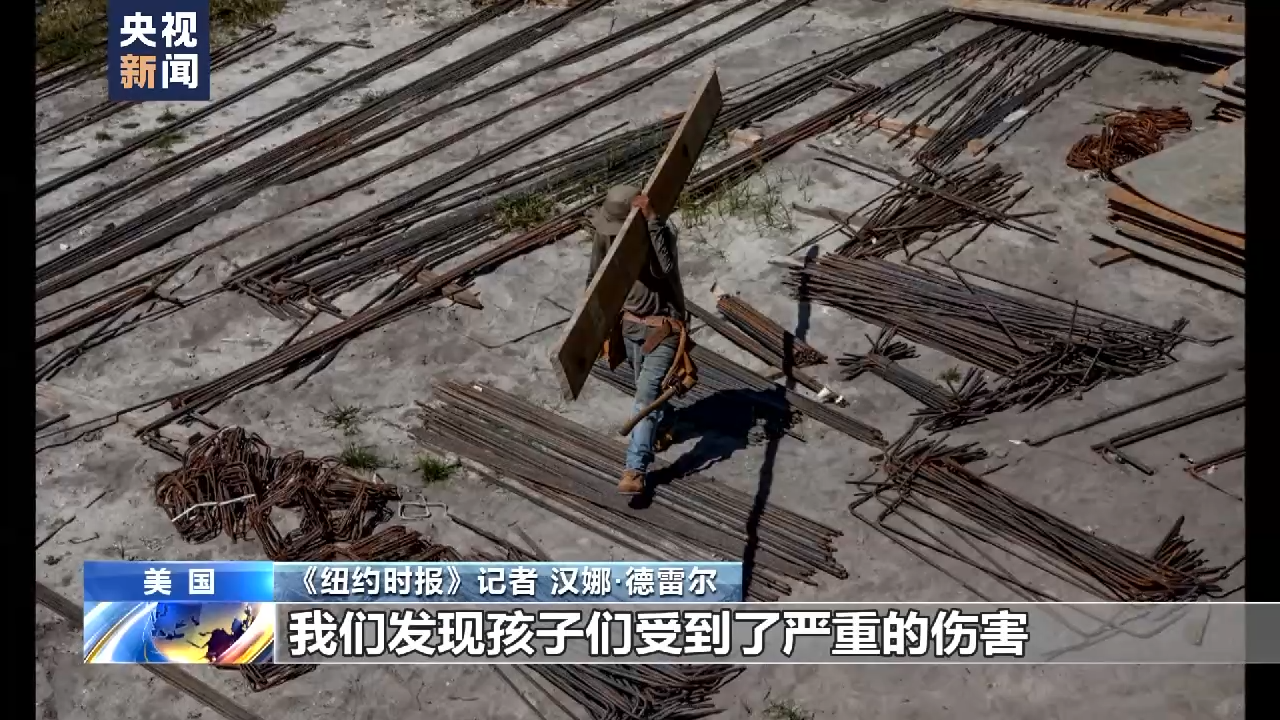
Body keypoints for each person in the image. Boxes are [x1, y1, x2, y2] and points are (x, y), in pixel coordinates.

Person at [586, 184, 688, 495]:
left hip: (663, 331)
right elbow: (594, 280)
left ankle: (635, 469)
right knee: (648, 391)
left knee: (644, 399)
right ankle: (664, 426)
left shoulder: (660, 234)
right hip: (629, 329)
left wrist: (652, 221)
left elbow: (664, 269)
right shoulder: (604, 237)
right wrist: (593, 326)